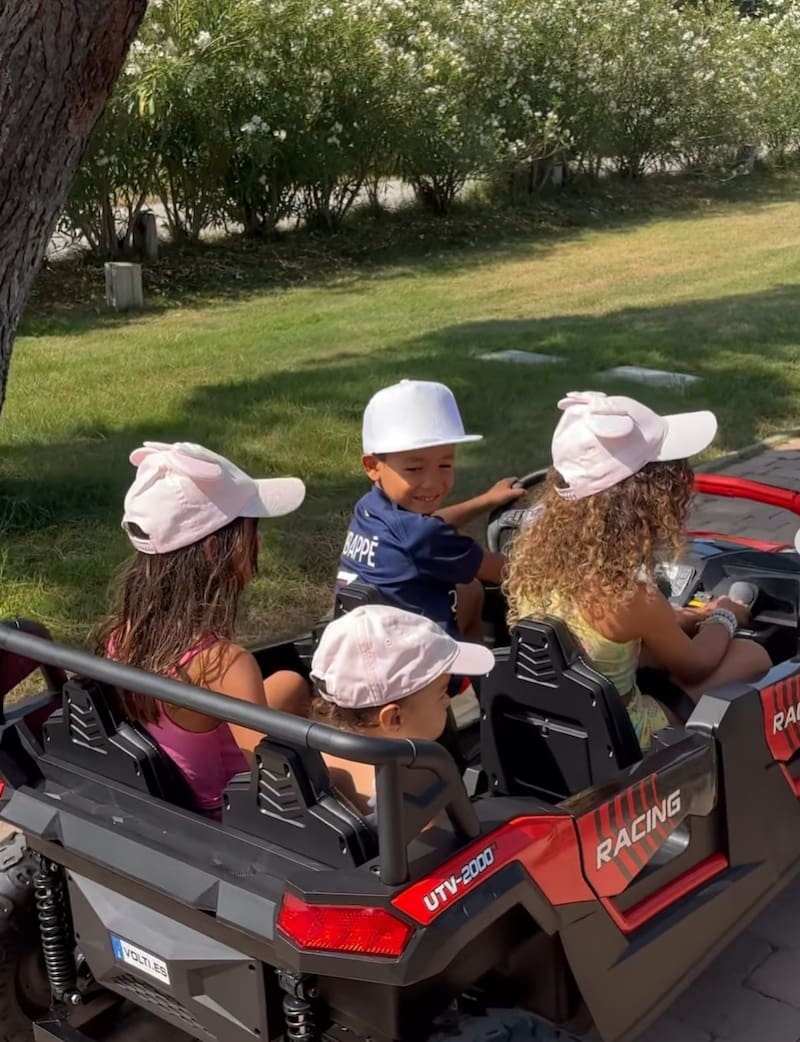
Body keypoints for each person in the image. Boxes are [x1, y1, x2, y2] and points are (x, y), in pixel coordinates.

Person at [504, 391, 771, 750]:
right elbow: (696, 666)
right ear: (648, 500)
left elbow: (606, 639)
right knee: (751, 656)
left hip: (566, 727)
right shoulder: (629, 596)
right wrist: (725, 616)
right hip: (625, 736)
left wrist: (680, 620)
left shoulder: (533, 558)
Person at [96, 440, 310, 815]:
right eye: (250, 530)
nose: (257, 541)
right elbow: (269, 779)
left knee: (291, 684)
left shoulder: (122, 632)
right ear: (213, 550)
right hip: (224, 814)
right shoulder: (224, 664)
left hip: (183, 781)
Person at [337, 379, 524, 642]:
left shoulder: (370, 508)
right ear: (372, 466)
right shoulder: (423, 537)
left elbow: (431, 524)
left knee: (469, 589)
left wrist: (486, 500)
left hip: (368, 644)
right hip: (411, 666)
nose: (433, 482)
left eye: (445, 465)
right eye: (414, 469)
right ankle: (468, 679)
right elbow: (512, 571)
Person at [309, 604, 495, 818]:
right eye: (442, 692)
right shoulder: (418, 780)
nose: (447, 700)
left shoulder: (316, 758)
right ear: (394, 718)